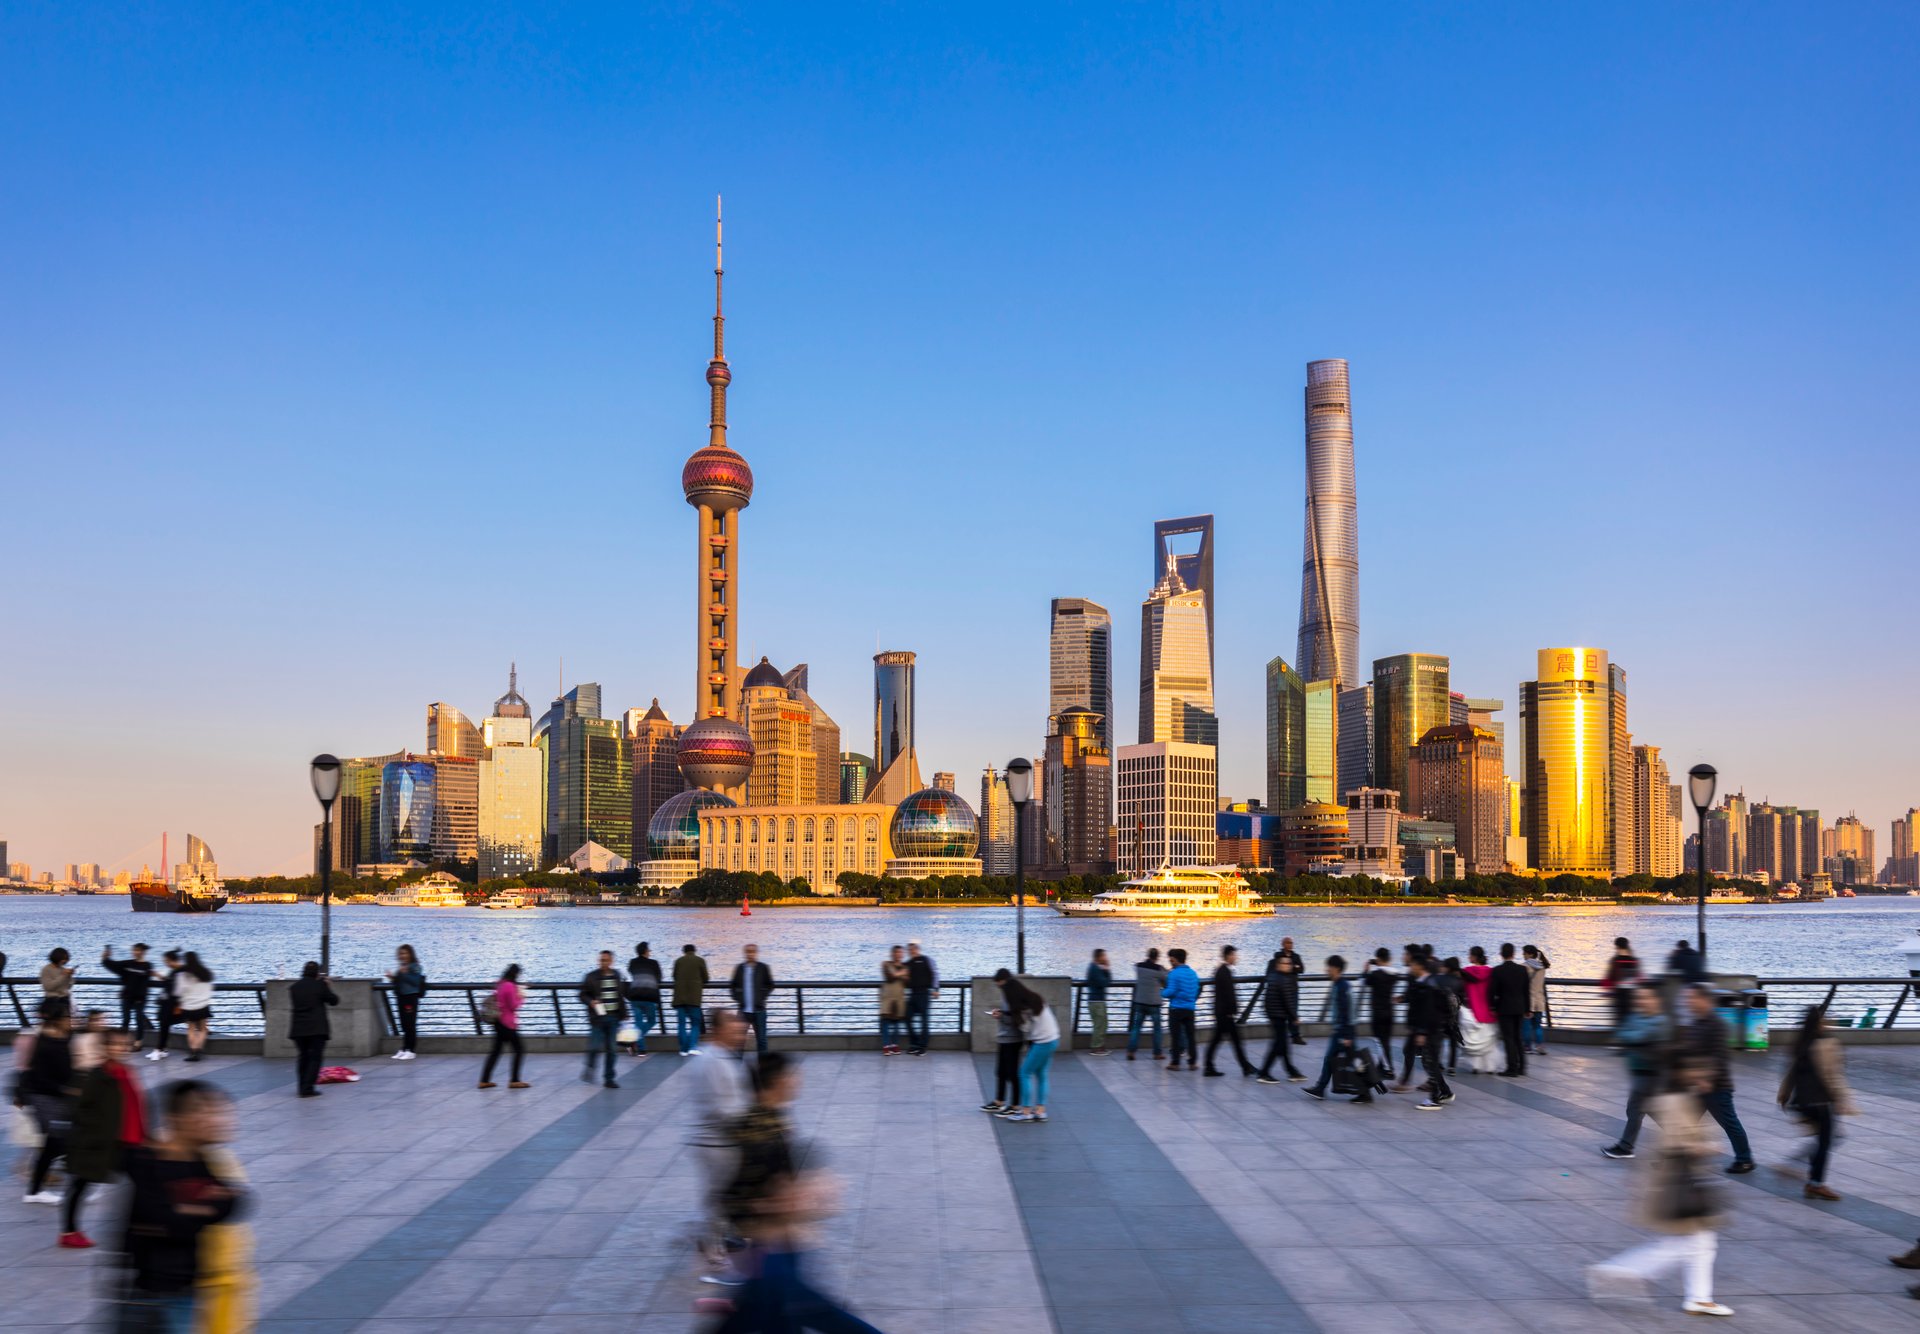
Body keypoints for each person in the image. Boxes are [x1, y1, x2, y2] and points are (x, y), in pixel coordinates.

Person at [716, 1051, 882, 1334]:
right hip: (771, 1247)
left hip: (776, 1246)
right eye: (792, 1075)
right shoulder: (761, 1129)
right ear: (777, 1082)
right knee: (814, 1312)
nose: (797, 1080)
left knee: (773, 1316)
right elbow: (750, 1190)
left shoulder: (769, 1121)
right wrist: (794, 1200)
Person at [1586, 1061, 1735, 1317]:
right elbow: (1678, 1144)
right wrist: (1707, 1147)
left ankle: (1698, 1297)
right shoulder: (1677, 1101)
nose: (1707, 1076)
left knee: (1699, 1243)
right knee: (1681, 1245)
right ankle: (1618, 1273)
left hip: (1678, 1183)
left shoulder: (1682, 1097)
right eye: (1701, 1071)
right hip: (1677, 1186)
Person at [117, 1080, 247, 1331]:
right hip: (150, 1294)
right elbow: (166, 1222)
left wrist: (188, 1208)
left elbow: (235, 1202)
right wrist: (204, 1204)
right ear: (177, 1118)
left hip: (183, 1289)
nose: (215, 1119)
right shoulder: (148, 1162)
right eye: (204, 1110)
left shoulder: (201, 1161)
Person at [63, 1026, 143, 1248]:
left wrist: (145, 1134)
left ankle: (141, 1229)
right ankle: (69, 1231)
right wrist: (100, 1131)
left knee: (144, 1183)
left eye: (125, 1044)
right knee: (80, 1184)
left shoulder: (126, 1072)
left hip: (129, 1140)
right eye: (116, 1044)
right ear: (105, 1048)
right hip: (102, 1142)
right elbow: (80, 1109)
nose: (122, 1048)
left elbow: (135, 1105)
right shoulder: (99, 1076)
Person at [688, 1009, 753, 1280]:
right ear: (717, 1030)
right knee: (717, 1201)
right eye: (734, 1027)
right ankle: (714, 1260)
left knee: (724, 1198)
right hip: (714, 1143)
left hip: (721, 1141)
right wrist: (753, 1118)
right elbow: (723, 1109)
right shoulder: (712, 1060)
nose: (741, 1031)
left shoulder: (721, 1057)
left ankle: (718, 1240)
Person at [1776, 1004, 1855, 1201]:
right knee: (1828, 1141)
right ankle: (1815, 1183)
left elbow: (1791, 1073)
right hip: (1821, 1102)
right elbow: (1833, 1076)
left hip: (1802, 1103)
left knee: (1824, 1140)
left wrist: (1784, 1094)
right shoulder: (1827, 1044)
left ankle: (1808, 1174)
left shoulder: (1800, 1044)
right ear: (1820, 1022)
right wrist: (1842, 1099)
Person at [1679, 983, 1754, 1173]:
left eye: (1692, 998)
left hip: (1717, 1088)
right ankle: (1676, 1158)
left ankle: (1745, 1160)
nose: (1688, 1002)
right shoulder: (1696, 1023)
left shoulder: (1716, 1024)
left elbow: (1719, 1056)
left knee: (1730, 1123)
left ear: (1704, 999)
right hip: (1698, 1086)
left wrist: (1707, 1079)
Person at [1603, 986, 1673, 1159]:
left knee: (1636, 1109)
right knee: (1644, 1109)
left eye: (1645, 998)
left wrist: (1633, 1038)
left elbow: (1639, 1035)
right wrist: (1633, 1038)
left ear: (1656, 1000)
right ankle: (1678, 1137)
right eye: (1639, 998)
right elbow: (1622, 1033)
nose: (1640, 1001)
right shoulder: (1635, 1016)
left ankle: (1626, 1147)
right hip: (1639, 1072)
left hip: (1652, 1073)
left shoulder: (1661, 1021)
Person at [21, 998, 74, 1205]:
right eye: (68, 1016)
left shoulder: (62, 1037)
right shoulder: (45, 1044)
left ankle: (35, 1190)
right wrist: (67, 1089)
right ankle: (35, 1191)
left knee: (59, 1142)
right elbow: (39, 1078)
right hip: (44, 1098)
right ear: (57, 1020)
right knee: (56, 1143)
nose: (72, 1019)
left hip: (55, 1097)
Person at [993, 971, 1058, 1123]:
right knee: (1042, 1074)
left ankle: (1026, 1111)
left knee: (1024, 1074)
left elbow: (1025, 1029)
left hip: (1042, 1042)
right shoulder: (1035, 998)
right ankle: (1041, 1111)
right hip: (1054, 1038)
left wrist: (1004, 1016)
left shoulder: (1023, 1009)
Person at [1303, 956, 1363, 1102]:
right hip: (1344, 1030)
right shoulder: (1340, 984)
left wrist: (1347, 1035)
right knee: (1345, 1061)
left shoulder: (1342, 987)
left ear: (1336, 969)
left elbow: (1346, 1011)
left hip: (1343, 1032)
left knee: (1349, 1061)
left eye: (1328, 967)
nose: (1326, 970)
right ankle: (1321, 1088)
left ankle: (1364, 1092)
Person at [1403, 954, 1453, 1111]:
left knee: (1429, 1062)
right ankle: (1444, 1092)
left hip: (1431, 1030)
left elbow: (1428, 1011)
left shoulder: (1428, 985)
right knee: (1429, 1061)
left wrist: (1422, 1032)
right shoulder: (1424, 982)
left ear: (1419, 966)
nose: (1410, 968)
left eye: (1412, 965)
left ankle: (1435, 1098)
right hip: (1431, 1028)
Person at [1203, 945, 1255, 1077]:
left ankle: (1243, 1066)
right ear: (1229, 955)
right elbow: (1228, 994)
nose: (1236, 957)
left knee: (1223, 1040)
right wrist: (1232, 1010)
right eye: (1235, 955)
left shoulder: (1222, 970)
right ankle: (1244, 1067)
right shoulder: (1224, 971)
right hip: (1225, 1013)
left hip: (1222, 1012)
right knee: (1231, 1041)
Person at [579, 949, 628, 1089]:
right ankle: (590, 1067)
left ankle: (609, 1078)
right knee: (594, 1047)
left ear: (611, 961)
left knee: (612, 1050)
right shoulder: (591, 977)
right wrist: (591, 1002)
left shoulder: (617, 975)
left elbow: (620, 996)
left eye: (605, 960)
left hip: (614, 1018)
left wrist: (625, 1015)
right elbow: (582, 995)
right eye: (601, 960)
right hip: (598, 1019)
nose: (603, 963)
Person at [288, 962, 337, 1098]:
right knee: (315, 1058)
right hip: (317, 1028)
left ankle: (301, 1086)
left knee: (303, 1057)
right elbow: (333, 1001)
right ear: (317, 973)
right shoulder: (320, 986)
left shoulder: (294, 988)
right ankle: (308, 1088)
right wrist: (328, 986)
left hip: (298, 1028)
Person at [1255, 950, 1305, 1083]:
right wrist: (1294, 1017)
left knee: (1283, 1045)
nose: (1288, 965)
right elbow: (1288, 1001)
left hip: (1275, 1015)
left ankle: (1291, 1071)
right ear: (1278, 965)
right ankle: (1264, 1073)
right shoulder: (1283, 979)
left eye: (1289, 963)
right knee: (1278, 1045)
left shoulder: (1274, 976)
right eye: (1285, 963)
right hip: (1278, 1016)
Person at [476, 964, 528, 1089]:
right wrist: (522, 997)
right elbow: (513, 1006)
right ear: (516, 974)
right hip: (507, 1023)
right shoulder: (510, 986)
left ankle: (484, 1080)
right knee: (519, 1049)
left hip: (498, 1022)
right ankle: (514, 1080)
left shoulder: (501, 984)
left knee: (496, 1052)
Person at [980, 984, 1026, 1114]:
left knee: (1013, 1074)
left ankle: (1015, 1105)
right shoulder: (1006, 998)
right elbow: (1008, 1014)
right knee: (1000, 1071)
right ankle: (999, 1101)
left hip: (1013, 1040)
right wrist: (1000, 1013)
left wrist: (1001, 1016)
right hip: (1003, 1038)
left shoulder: (1015, 999)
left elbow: (1016, 1019)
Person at [1457, 947, 1504, 1074]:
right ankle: (1490, 1066)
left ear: (1474, 957)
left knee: (1475, 1039)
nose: (1468, 957)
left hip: (1473, 1011)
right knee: (1488, 1042)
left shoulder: (1466, 972)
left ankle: (1476, 1066)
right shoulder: (1491, 971)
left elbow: (1461, 988)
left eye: (1470, 955)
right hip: (1488, 1011)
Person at [1488, 943, 1531, 1077]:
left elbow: (1492, 991)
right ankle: (1522, 1067)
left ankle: (1511, 1067)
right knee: (1518, 1037)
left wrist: (1493, 1006)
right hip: (1519, 1007)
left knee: (1508, 1038)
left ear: (1501, 954)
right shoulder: (1522, 970)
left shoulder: (1497, 971)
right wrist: (1527, 1008)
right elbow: (1526, 991)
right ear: (1513, 954)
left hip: (1504, 1007)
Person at [101, 944, 155, 1049]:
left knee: (139, 1019)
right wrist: (105, 957)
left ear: (143, 952)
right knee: (126, 1019)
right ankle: (122, 1042)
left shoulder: (147, 966)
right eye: (134, 950)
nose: (135, 952)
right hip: (127, 996)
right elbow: (112, 965)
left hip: (140, 998)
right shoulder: (128, 964)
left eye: (138, 950)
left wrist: (157, 976)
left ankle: (138, 1042)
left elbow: (147, 978)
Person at [729, 944, 775, 1055]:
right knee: (739, 1041)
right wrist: (738, 997)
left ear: (756, 953)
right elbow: (733, 985)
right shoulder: (740, 968)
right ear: (745, 953)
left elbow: (770, 984)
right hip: (743, 1011)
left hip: (759, 1010)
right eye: (748, 952)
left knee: (762, 1040)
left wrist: (762, 996)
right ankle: (737, 1067)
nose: (750, 954)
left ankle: (763, 1066)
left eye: (752, 951)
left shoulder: (763, 968)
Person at [1126, 947, 1167, 1061]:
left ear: (1148, 955)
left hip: (1140, 1001)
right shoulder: (1159, 969)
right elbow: (1166, 980)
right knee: (1157, 1029)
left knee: (1136, 1028)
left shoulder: (1139, 967)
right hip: (1154, 1003)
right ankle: (1157, 1053)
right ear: (1157, 957)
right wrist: (1165, 971)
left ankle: (1131, 1051)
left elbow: (1135, 966)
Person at [1161, 948, 1199, 1070]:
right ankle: (1192, 1062)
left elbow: (1170, 992)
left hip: (1176, 1009)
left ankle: (1175, 1063)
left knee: (1176, 1036)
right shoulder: (1193, 973)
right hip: (1190, 1009)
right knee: (1191, 1036)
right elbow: (1197, 990)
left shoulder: (1174, 974)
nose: (1170, 961)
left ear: (1175, 959)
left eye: (1171, 959)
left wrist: (1161, 992)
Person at [174, 952, 215, 1063]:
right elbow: (210, 988)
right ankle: (198, 1051)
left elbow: (178, 992)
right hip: (203, 1005)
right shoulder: (206, 973)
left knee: (191, 1029)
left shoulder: (182, 975)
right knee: (202, 1029)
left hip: (189, 1006)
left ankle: (192, 1051)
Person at [386, 945, 424, 1061]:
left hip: (410, 998)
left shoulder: (415, 966)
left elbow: (416, 981)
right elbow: (401, 980)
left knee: (410, 1024)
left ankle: (411, 1050)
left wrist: (404, 974)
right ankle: (404, 1048)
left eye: (405, 953)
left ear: (411, 954)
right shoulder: (403, 967)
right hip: (401, 997)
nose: (403, 956)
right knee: (404, 1024)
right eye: (401, 953)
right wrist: (393, 977)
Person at [1361, 948, 1399, 1066]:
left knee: (1378, 1040)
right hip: (1390, 1011)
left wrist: (1366, 970)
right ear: (1389, 958)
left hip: (1378, 1012)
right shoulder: (1395, 975)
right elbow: (1387, 969)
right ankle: (1383, 1065)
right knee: (1386, 1040)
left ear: (1378, 959)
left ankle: (1387, 1067)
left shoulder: (1375, 975)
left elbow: (1364, 982)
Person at [625, 942, 663, 1054]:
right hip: (649, 996)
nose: (649, 952)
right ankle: (637, 1043)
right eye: (649, 950)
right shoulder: (654, 963)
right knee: (652, 1021)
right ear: (646, 951)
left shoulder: (633, 962)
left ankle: (639, 1047)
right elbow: (659, 978)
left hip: (635, 995)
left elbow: (631, 972)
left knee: (638, 1022)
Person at [147, 950, 184, 1063]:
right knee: (164, 1025)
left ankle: (159, 1050)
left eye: (166, 961)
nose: (166, 964)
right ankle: (162, 1050)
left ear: (172, 960)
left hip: (172, 1003)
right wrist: (159, 976)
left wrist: (178, 1004)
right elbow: (170, 983)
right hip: (168, 1002)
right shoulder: (175, 971)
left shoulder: (181, 972)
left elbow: (179, 988)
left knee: (164, 1025)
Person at [673, 944, 710, 1055]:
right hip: (694, 998)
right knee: (695, 1023)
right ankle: (692, 1046)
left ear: (683, 951)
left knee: (681, 1024)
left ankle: (683, 1049)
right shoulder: (700, 960)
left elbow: (674, 976)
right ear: (694, 950)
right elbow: (706, 978)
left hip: (679, 997)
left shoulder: (678, 961)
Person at [904, 941, 938, 1056]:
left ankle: (923, 1046)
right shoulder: (908, 963)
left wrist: (935, 989)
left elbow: (935, 973)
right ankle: (914, 1044)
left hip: (924, 994)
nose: (911, 952)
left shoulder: (926, 960)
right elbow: (902, 975)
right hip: (913, 994)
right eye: (909, 950)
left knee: (924, 1022)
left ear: (918, 949)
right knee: (907, 1018)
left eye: (913, 949)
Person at [1434, 956, 1467, 1072]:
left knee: (1439, 1041)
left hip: (1439, 1015)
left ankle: (1438, 1063)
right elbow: (1462, 999)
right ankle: (1452, 1066)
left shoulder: (1438, 979)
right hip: (1453, 1016)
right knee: (1453, 1042)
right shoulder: (1459, 982)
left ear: (1447, 967)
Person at [1602, 937, 1642, 1027]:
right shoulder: (1634, 960)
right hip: (1631, 996)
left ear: (1616, 946)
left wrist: (1607, 991)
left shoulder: (1615, 960)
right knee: (1630, 1020)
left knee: (1619, 1021)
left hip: (1619, 995)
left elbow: (1609, 978)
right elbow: (1639, 978)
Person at [878, 946, 909, 1054]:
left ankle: (894, 1045)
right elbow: (889, 978)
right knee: (886, 1022)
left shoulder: (905, 966)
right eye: (896, 952)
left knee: (896, 1023)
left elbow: (908, 981)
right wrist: (901, 974)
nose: (899, 954)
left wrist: (898, 974)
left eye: (901, 952)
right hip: (887, 998)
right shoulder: (886, 964)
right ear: (892, 954)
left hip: (899, 998)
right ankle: (886, 1046)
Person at [1522, 944, 1551, 1054]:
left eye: (1524, 953)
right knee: (1537, 1026)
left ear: (1530, 954)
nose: (1523, 955)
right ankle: (1540, 1046)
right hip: (1540, 1000)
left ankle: (1527, 1047)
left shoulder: (1525, 966)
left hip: (1529, 1001)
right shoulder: (1542, 967)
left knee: (1526, 1025)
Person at [1085, 949, 1112, 1055]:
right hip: (1096, 1001)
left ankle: (1100, 1046)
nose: (1106, 958)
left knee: (1103, 1024)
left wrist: (1105, 969)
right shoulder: (1094, 968)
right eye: (1104, 956)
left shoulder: (1095, 967)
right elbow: (1105, 982)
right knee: (1099, 1024)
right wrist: (1107, 969)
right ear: (1099, 957)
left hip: (1098, 1000)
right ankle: (1096, 1048)